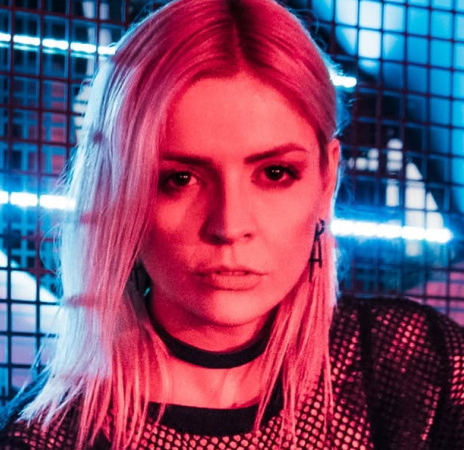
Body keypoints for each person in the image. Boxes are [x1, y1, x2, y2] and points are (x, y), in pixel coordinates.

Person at [1, 0, 463, 448]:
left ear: (326, 180)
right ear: (119, 192)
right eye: (180, 179)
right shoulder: (51, 438)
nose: (229, 224)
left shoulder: (420, 371)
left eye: (275, 173)